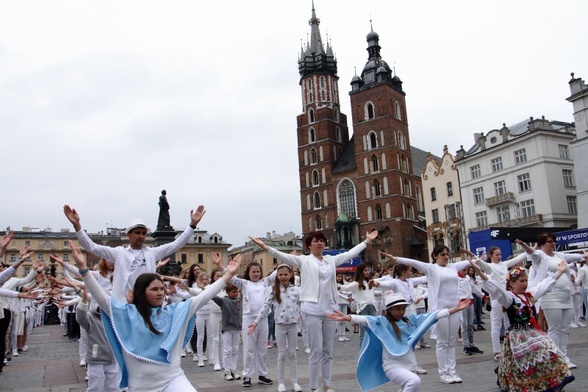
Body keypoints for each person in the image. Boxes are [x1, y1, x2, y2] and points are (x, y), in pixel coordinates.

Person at [70, 239, 242, 392]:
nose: (160, 293)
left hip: (172, 378)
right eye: (154, 289)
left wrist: (228, 275)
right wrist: (83, 269)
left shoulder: (175, 311)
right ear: (141, 292)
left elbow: (205, 295)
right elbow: (100, 296)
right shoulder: (126, 313)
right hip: (141, 385)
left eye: (161, 288)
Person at [249, 229, 378, 392]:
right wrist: (265, 247)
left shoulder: (331, 260)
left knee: (328, 351)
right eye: (316, 241)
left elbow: (350, 253)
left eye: (322, 241)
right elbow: (284, 257)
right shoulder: (304, 261)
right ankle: (314, 386)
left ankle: (327, 385)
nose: (320, 243)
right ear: (309, 245)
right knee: (315, 351)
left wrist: (366, 242)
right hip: (312, 309)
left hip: (330, 309)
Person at [468, 258, 575, 392]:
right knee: (525, 360)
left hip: (532, 332)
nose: (525, 284)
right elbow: (495, 288)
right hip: (518, 336)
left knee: (547, 349)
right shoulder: (509, 298)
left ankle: (550, 382)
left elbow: (545, 285)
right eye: (521, 281)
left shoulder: (529, 296)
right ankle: (529, 384)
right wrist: (479, 271)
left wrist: (559, 272)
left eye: (526, 281)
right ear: (512, 284)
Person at [327, 293, 469, 392]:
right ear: (388, 310)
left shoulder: (410, 321)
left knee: (410, 385)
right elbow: (365, 319)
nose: (401, 312)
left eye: (403, 309)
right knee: (414, 382)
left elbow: (432, 316)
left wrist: (454, 309)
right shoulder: (382, 322)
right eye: (397, 309)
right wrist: (346, 317)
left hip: (410, 364)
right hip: (392, 366)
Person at [63, 203, 205, 302]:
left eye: (143, 233)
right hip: (124, 302)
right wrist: (77, 226)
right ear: (129, 234)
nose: (141, 236)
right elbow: (92, 247)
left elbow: (176, 244)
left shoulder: (152, 253)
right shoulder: (119, 254)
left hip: (146, 303)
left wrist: (192, 226)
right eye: (137, 232)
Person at [380, 245, 470, 384]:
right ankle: (443, 373)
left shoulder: (453, 267)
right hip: (440, 310)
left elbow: (470, 262)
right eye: (442, 255)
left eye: (447, 254)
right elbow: (413, 262)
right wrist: (396, 258)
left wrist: (476, 257)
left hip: (454, 308)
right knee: (442, 342)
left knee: (451, 342)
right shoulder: (431, 268)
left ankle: (452, 371)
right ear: (435, 256)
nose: (446, 257)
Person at [517, 235, 588, 368]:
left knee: (564, 329)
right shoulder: (540, 256)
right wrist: (524, 245)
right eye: (550, 242)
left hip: (566, 296)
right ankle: (555, 358)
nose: (553, 244)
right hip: (551, 297)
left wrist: (583, 255)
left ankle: (564, 357)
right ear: (542, 244)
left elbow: (575, 256)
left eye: (554, 242)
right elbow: (532, 252)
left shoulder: (559, 255)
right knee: (554, 329)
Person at [461, 246, 528, 361]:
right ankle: (497, 351)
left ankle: (512, 348)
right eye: (496, 254)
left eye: (500, 254)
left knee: (509, 323)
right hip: (497, 298)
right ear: (491, 256)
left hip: (507, 297)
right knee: (496, 324)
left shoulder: (504, 264)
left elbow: (516, 259)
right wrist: (470, 254)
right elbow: (480, 262)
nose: (499, 257)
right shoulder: (490, 267)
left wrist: (529, 249)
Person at [248, 264, 302, 392]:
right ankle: (281, 383)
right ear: (277, 276)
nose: (283, 277)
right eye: (280, 274)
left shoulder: (297, 290)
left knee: (292, 354)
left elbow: (303, 306)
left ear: (290, 275)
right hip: (280, 325)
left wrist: (302, 319)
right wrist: (256, 322)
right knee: (282, 354)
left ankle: (295, 382)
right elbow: (265, 307)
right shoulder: (273, 290)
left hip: (293, 325)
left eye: (285, 274)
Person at [227, 261, 276, 387]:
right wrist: (221, 266)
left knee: (262, 349)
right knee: (249, 349)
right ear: (248, 273)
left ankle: (262, 375)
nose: (256, 274)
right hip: (249, 319)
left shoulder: (265, 282)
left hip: (263, 318)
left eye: (258, 271)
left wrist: (289, 259)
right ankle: (247, 376)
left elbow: (277, 273)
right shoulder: (244, 284)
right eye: (253, 271)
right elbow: (229, 277)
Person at [76, 287, 119, 392]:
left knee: (113, 387)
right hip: (96, 359)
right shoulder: (90, 318)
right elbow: (81, 318)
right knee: (95, 387)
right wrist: (83, 301)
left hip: (112, 358)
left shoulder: (113, 318)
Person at [338, 263, 382, 346]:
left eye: (368, 270)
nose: (367, 272)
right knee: (363, 332)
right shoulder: (356, 283)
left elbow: (380, 287)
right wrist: (338, 287)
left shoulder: (370, 282)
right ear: (361, 271)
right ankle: (363, 350)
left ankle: (372, 348)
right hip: (363, 308)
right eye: (365, 270)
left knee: (374, 330)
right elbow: (346, 287)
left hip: (372, 307)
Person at [212, 283, 242, 382]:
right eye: (233, 292)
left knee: (235, 350)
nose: (236, 293)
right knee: (227, 350)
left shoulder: (239, 300)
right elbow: (213, 297)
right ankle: (227, 371)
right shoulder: (224, 301)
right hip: (227, 328)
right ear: (228, 292)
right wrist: (206, 288)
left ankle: (233, 369)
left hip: (237, 328)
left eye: (236, 291)